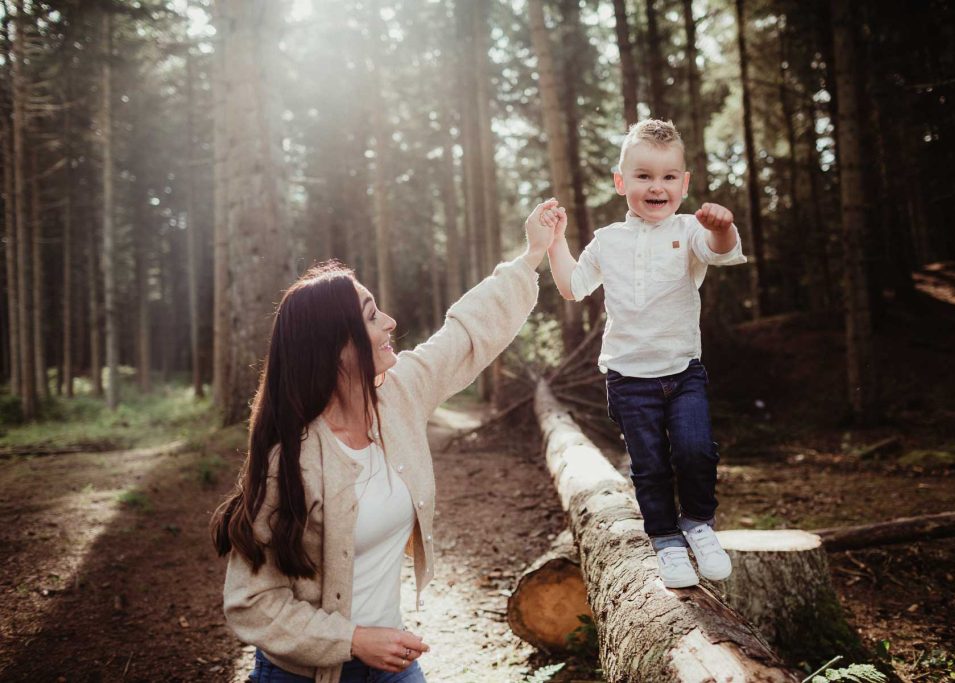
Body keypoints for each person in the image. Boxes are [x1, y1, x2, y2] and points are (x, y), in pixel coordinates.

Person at [211, 199, 563, 682]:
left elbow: (465, 333)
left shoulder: (397, 395)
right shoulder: (289, 461)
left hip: (392, 663)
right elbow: (250, 601)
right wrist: (352, 641)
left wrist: (531, 256)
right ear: (337, 346)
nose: (390, 322)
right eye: (373, 315)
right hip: (304, 674)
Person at [545, 119, 745, 589]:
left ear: (684, 183)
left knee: (696, 450)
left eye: (668, 176)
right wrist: (556, 241)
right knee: (650, 464)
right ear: (622, 182)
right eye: (644, 176)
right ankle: (665, 540)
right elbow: (573, 287)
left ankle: (698, 523)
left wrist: (723, 227)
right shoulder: (608, 241)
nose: (657, 186)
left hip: (683, 371)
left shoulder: (691, 230)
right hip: (628, 378)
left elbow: (721, 252)